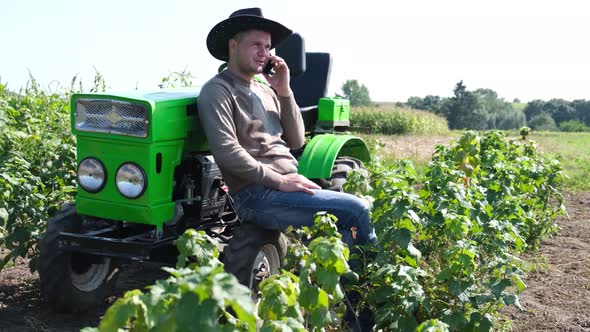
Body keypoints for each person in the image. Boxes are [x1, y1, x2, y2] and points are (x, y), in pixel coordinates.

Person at [197, 7, 377, 249]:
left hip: (282, 185)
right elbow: (227, 152)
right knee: (356, 210)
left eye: (268, 47)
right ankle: (364, 285)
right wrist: (280, 182)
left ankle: (341, 279)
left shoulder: (265, 89)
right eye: (256, 45)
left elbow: (296, 141)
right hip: (256, 193)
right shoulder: (218, 90)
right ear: (233, 45)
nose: (264, 53)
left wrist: (283, 90)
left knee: (347, 226)